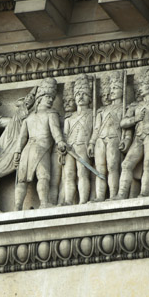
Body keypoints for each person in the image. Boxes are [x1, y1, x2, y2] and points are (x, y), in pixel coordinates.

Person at [13, 78, 67, 209]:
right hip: (41, 149)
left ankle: (17, 207)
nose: (50, 100)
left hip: (27, 150)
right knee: (43, 176)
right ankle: (43, 203)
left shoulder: (28, 118)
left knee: (22, 179)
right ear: (40, 98)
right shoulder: (51, 114)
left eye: (52, 98)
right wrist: (60, 142)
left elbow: (21, 138)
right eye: (47, 97)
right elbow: (55, 130)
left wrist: (17, 152)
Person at [114, 68, 149, 199]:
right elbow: (123, 123)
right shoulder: (135, 106)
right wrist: (136, 119)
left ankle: (144, 192)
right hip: (138, 138)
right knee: (126, 164)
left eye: (142, 86)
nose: (139, 89)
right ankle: (121, 194)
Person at [88, 71, 131, 201]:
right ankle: (100, 196)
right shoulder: (102, 110)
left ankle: (113, 194)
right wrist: (91, 143)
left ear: (122, 91)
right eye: (111, 88)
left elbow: (127, 128)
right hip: (101, 140)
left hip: (114, 138)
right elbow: (96, 129)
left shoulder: (125, 109)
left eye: (116, 88)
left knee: (112, 166)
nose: (112, 91)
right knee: (100, 168)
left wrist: (126, 140)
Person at [61, 75, 93, 205]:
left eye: (84, 94)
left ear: (90, 97)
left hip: (83, 147)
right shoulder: (69, 118)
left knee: (82, 173)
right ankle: (68, 200)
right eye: (78, 94)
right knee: (69, 175)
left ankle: (83, 200)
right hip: (70, 149)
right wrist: (62, 146)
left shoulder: (93, 114)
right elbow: (64, 135)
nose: (80, 97)